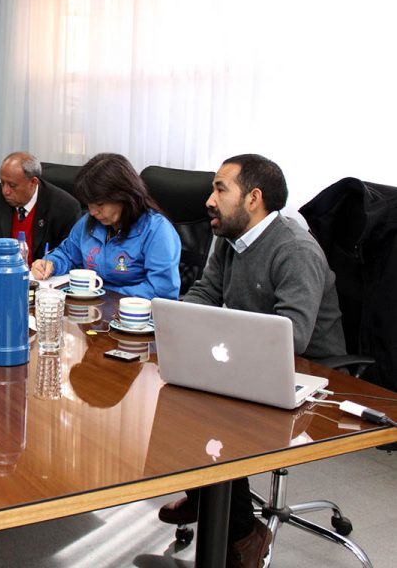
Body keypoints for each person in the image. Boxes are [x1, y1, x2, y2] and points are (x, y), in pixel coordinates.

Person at [158, 154, 346, 568]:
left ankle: (242, 529)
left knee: (215, 413)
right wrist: (172, 324)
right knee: (176, 391)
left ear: (253, 198)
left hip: (314, 373)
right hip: (250, 359)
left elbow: (292, 335)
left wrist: (219, 335)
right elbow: (207, 291)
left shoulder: (295, 250)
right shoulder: (228, 239)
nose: (209, 199)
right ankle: (204, 496)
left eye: (220, 188)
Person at [31, 153, 181, 300]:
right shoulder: (89, 222)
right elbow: (68, 254)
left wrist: (106, 297)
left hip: (135, 317)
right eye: (89, 204)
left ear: (124, 195)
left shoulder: (156, 230)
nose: (93, 211)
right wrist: (51, 263)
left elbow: (161, 291)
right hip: (93, 310)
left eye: (100, 204)